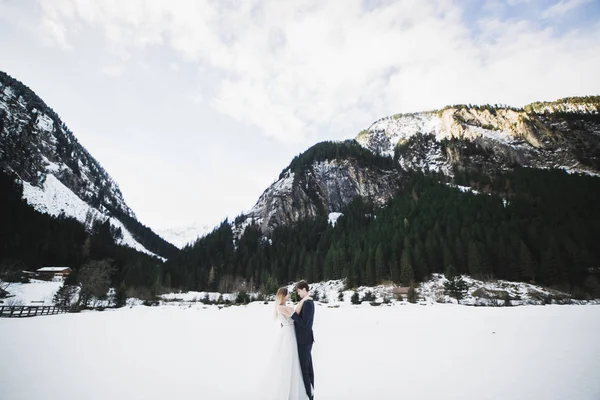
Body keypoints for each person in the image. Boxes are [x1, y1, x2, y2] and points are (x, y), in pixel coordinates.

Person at [270, 286, 313, 400]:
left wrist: (303, 300)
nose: (289, 295)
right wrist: (304, 300)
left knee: (295, 360)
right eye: (287, 294)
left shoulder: (285, 306)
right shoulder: (281, 307)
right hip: (288, 335)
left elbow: (294, 312)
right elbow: (295, 314)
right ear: (283, 296)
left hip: (291, 333)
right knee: (290, 359)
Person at [291, 280, 315, 400]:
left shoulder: (308, 303)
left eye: (299, 291)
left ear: (304, 289)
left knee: (305, 369)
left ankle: (309, 395)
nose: (298, 294)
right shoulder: (305, 302)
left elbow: (305, 324)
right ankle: (310, 393)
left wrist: (293, 316)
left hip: (305, 341)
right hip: (303, 340)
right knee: (307, 367)